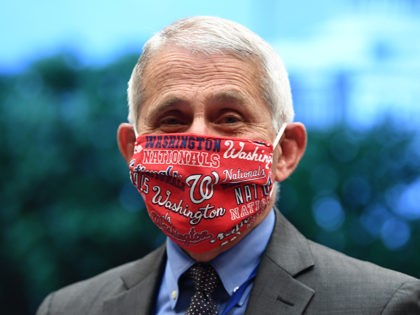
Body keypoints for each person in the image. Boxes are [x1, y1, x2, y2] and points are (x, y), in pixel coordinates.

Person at [37, 16, 420, 315]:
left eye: (230, 117)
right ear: (131, 150)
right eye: (172, 119)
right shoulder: (67, 309)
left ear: (284, 151)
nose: (199, 139)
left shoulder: (385, 305)